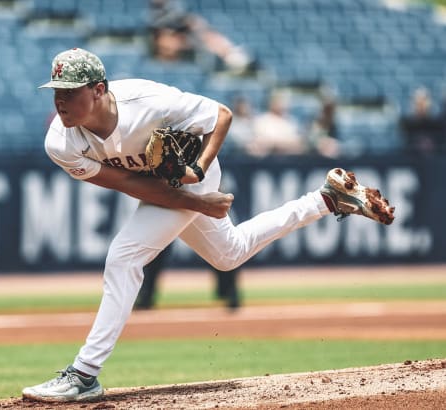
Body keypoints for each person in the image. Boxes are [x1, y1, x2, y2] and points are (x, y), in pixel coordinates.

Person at [22, 47, 395, 403]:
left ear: (99, 89)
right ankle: (326, 199)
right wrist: (198, 205)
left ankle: (84, 374)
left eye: (70, 91)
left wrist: (197, 175)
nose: (60, 100)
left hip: (193, 173)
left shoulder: (146, 101)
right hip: (166, 187)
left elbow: (221, 115)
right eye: (56, 91)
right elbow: (127, 183)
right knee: (228, 254)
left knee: (124, 257)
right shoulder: (60, 142)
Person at [148, 0, 256, 73]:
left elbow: (190, 23)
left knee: (203, 31)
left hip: (186, 36)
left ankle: (228, 51)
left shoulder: (179, 19)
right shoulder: (158, 21)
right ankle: (228, 52)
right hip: (173, 35)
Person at [134, 245, 241, 311]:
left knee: (222, 243)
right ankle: (146, 295)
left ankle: (229, 291)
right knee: (156, 243)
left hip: (198, 210)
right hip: (171, 209)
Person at [247, 90, 307, 157]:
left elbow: (299, 145)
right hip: (267, 161)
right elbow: (259, 144)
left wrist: (276, 144)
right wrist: (280, 144)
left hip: (288, 160)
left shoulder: (291, 121)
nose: (282, 105)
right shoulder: (261, 121)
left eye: (284, 102)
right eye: (279, 102)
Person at [399, 87, 444, 155]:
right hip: (411, 158)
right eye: (417, 100)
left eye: (424, 100)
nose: (421, 103)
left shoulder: (437, 123)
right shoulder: (406, 123)